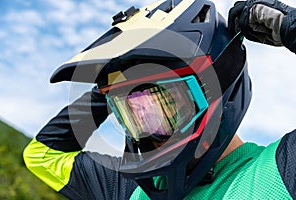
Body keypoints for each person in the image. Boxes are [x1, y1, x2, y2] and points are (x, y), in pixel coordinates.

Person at [23, 0, 296, 199]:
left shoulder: (280, 171)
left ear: (214, 88)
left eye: (161, 104)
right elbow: (42, 154)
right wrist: (112, 85)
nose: (146, 123)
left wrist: (291, 28)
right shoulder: (131, 189)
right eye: (130, 113)